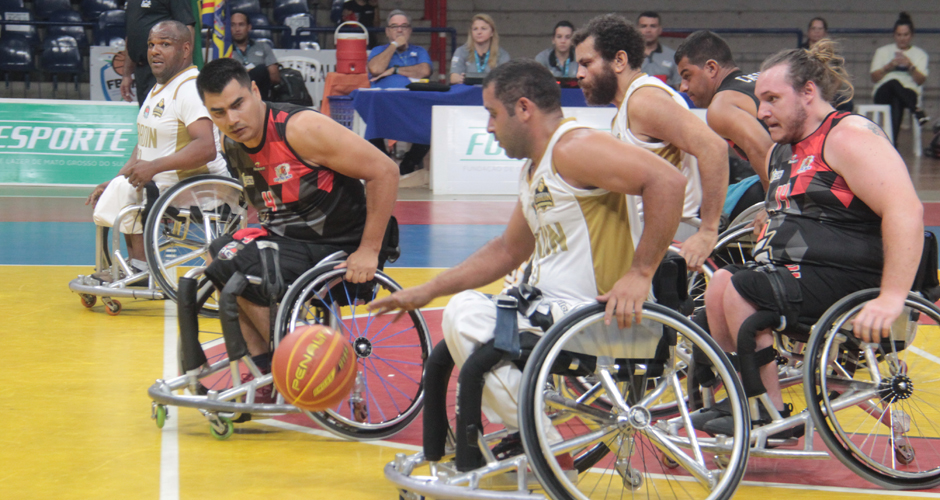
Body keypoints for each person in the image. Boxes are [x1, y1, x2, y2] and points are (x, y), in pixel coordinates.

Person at [369, 59, 686, 465]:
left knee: (467, 316)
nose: (488, 127)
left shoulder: (576, 147)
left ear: (523, 109)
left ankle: (544, 446)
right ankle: (532, 438)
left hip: (601, 319)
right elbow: (507, 250)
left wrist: (641, 273)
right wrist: (428, 290)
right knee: (464, 311)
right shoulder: (538, 167)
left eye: (492, 114)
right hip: (556, 315)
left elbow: (668, 181)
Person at [695, 40, 924, 437]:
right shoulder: (783, 150)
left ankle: (769, 413)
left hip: (853, 275)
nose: (761, 111)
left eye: (771, 99)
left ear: (808, 93)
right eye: (759, 100)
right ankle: (747, 401)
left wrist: (892, 297)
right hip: (803, 272)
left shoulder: (848, 135)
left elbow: (906, 211)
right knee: (719, 285)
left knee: (742, 290)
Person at [195, 58, 399, 398]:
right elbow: (260, 201)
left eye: (238, 105)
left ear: (255, 91)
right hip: (288, 238)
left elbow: (385, 171)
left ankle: (307, 364)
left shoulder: (301, 129)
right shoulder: (232, 143)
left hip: (338, 240)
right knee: (222, 254)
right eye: (218, 113)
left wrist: (369, 249)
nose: (231, 120)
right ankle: (267, 373)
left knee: (239, 265)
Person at [573, 14, 728, 271]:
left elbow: (714, 147)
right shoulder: (628, 106)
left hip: (670, 237)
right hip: (649, 232)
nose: (578, 74)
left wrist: (708, 231)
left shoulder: (645, 101)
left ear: (619, 60)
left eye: (586, 63)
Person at [87, 21, 227, 282]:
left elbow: (206, 147)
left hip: (201, 188)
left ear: (185, 50)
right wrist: (118, 177)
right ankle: (138, 264)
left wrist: (154, 167)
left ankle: (140, 269)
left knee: (132, 191)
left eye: (165, 44)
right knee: (122, 187)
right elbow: (144, 146)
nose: (154, 51)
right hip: (167, 183)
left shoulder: (190, 89)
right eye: (151, 45)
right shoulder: (159, 87)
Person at [675, 30, 775, 222]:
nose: (683, 87)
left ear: (712, 68)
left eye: (687, 76)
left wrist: (775, 206)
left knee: (708, 213)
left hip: (801, 179)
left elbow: (763, 149)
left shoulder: (721, 106)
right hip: (818, 167)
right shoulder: (759, 79)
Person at [366, 9, 433, 175]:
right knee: (370, 113)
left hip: (413, 105)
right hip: (385, 107)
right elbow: (375, 69)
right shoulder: (378, 51)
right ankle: (384, 161)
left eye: (404, 26)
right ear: (388, 31)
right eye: (394, 26)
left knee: (432, 119)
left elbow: (424, 70)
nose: (400, 30)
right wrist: (394, 45)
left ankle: (409, 163)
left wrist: (394, 70)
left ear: (410, 30)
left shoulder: (419, 51)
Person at [870, 12, 930, 147]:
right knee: (893, 83)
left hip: (908, 93)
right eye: (899, 35)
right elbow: (874, 78)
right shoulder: (882, 51)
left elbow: (920, 80)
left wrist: (910, 66)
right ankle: (917, 111)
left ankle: (892, 143)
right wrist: (888, 66)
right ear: (894, 35)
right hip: (883, 92)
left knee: (897, 99)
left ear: (911, 35)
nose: (902, 39)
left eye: (905, 35)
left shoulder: (920, 55)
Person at [121, 0, 196, 106]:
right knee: (147, 116)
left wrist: (184, 68)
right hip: (141, 69)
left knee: (163, 116)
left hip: (165, 69)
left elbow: (187, 28)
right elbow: (133, 33)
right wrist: (127, 74)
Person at [802, 17, 853, 112]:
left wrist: (828, 94)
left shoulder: (833, 54)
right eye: (813, 28)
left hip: (827, 92)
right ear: (808, 32)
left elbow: (838, 78)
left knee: (845, 102)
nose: (816, 31)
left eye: (820, 29)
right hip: (805, 92)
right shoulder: (800, 52)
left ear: (825, 33)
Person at [229, 11, 280, 100]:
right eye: (233, 25)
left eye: (241, 25)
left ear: (249, 27)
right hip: (234, 95)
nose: (237, 29)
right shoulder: (224, 51)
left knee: (261, 70)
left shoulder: (263, 47)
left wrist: (254, 75)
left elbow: (275, 78)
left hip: (259, 94)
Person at [449, 14, 510, 84]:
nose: (479, 32)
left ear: (492, 32)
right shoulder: (461, 51)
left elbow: (506, 81)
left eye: (483, 28)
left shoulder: (502, 54)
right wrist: (459, 79)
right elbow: (453, 78)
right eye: (475, 29)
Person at [637, 11, 680, 90]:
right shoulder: (628, 57)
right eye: (644, 26)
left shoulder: (672, 56)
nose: (648, 30)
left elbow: (679, 88)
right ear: (637, 30)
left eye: (653, 26)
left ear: (660, 30)